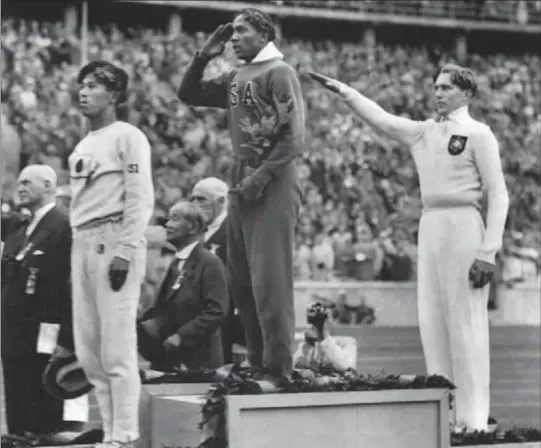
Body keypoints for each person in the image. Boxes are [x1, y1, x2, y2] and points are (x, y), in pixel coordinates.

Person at [310, 63, 509, 432]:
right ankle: (444, 414)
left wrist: (488, 251)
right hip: (431, 223)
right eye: (435, 87)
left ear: (466, 93)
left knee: (466, 324)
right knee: (432, 321)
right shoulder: (423, 133)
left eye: (446, 88)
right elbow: (382, 119)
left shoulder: (479, 134)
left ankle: (474, 420)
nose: (438, 93)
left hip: (464, 222)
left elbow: (498, 193)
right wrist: (345, 92)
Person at [177, 8, 305, 380]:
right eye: (231, 32)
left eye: (242, 31)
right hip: (241, 173)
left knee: (270, 279)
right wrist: (204, 56)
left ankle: (279, 367)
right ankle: (257, 359)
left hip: (273, 176)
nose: (233, 37)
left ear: (264, 35)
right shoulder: (237, 76)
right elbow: (190, 94)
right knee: (242, 280)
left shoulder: (279, 73)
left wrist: (261, 177)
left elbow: (294, 138)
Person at [69, 60, 154, 447]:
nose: (84, 91)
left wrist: (125, 248)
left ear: (114, 94)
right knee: (90, 351)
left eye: (94, 85)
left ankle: (125, 435)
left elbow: (140, 196)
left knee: (117, 347)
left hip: (113, 238)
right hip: (82, 240)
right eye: (82, 85)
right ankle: (109, 430)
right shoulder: (83, 143)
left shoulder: (128, 136)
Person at [1, 165, 85, 438]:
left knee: (44, 418)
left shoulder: (63, 227)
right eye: (19, 183)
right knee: (18, 413)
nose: (21, 188)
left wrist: (67, 339)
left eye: (28, 182)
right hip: (14, 336)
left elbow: (72, 288)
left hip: (46, 337)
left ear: (48, 186)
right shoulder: (19, 229)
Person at [137, 201, 229, 371]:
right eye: (168, 219)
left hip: (199, 365)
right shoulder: (177, 263)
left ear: (193, 227)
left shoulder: (210, 262)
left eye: (175, 219)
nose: (167, 225)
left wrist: (181, 336)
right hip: (171, 361)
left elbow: (216, 311)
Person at [190, 177, 247, 364]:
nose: (196, 204)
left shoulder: (234, 228)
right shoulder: (196, 229)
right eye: (193, 199)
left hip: (223, 307)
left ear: (221, 201)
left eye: (202, 199)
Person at [293, 302, 357, 373]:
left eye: (326, 319)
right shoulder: (309, 343)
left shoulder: (347, 342)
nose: (320, 324)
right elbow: (292, 367)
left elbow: (345, 366)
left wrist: (326, 336)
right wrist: (306, 349)